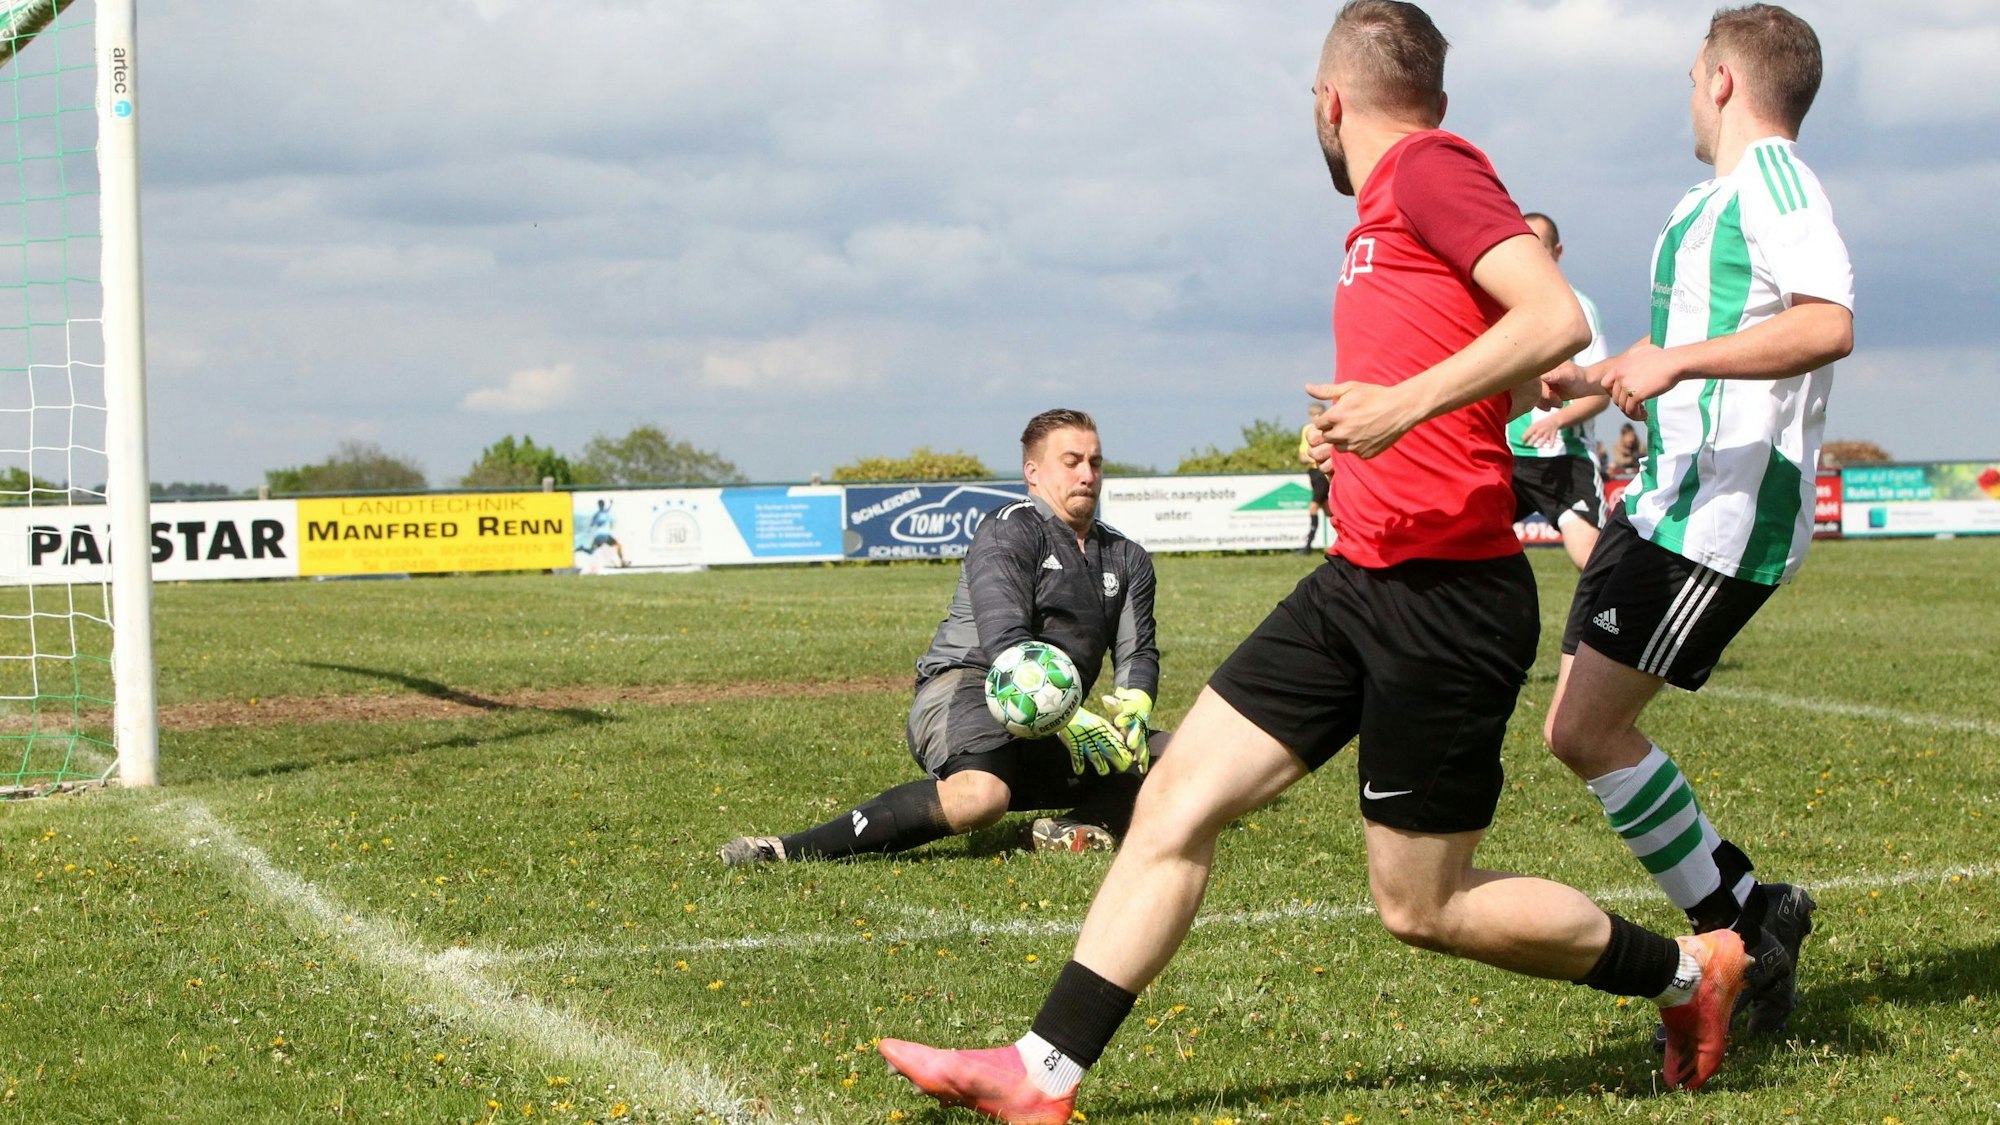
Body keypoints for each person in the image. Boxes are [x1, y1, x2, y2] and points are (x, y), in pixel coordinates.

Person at [875, 6, 1751, 1119]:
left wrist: (1401, 405)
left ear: (1329, 104)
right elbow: (1502, 363)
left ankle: (1692, 971)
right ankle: (1039, 1074)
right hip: (1355, 582)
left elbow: (1555, 314)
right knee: (1171, 806)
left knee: (1419, 906)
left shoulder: (1431, 169)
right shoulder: (1387, 217)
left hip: (1447, 602)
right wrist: (1354, 431)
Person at [1541, 2, 1851, 1047]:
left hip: (1717, 518)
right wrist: (1596, 377)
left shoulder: (1774, 182)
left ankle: (1740, 931)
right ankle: (1752, 918)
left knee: (1582, 731)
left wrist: (1671, 365)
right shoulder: (1708, 200)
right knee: (1578, 731)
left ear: (1721, 79)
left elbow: (1825, 320)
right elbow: (1684, 334)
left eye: (1689, 76)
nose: (1686, 93)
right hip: (1665, 501)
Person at [717, 409, 1166, 866]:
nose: (1087, 474)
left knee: (1179, 759)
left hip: (1054, 716)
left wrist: (1135, 701)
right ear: (1033, 472)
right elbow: (1005, 640)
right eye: (1072, 461)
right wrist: (1065, 716)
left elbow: (1138, 650)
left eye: (1095, 462)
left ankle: (1075, 826)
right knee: (980, 798)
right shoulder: (1009, 530)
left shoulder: (1126, 556)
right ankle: (786, 849)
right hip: (968, 690)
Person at [1510, 212, 1611, 570]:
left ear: (1557, 251)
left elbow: (1601, 391)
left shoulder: (1578, 310)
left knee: (1593, 559)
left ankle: (1617, 623)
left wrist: (1559, 420)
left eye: (1539, 247)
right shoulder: (1501, 305)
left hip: (1564, 458)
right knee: (1460, 548)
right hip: (1505, 457)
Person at [1296, 401, 1331, 554]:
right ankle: (1350, 534)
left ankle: (1308, 545)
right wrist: (1313, 458)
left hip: (1322, 472)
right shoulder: (1307, 430)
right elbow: (1302, 456)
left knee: (1314, 506)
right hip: (1313, 473)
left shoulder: (1330, 430)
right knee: (1330, 511)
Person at [587, 499, 627, 568]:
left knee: (591, 551)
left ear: (598, 505)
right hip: (605, 535)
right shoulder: (603, 513)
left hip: (598, 536)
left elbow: (591, 524)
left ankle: (581, 549)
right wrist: (611, 504)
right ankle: (622, 562)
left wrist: (611, 504)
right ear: (603, 505)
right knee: (618, 545)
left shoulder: (597, 514)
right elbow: (607, 510)